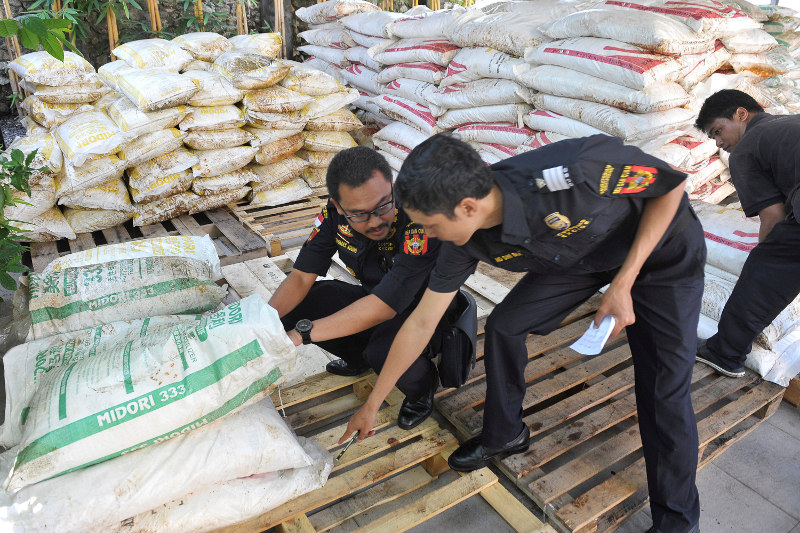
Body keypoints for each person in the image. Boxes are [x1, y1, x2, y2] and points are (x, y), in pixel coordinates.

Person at [338, 134, 706, 533]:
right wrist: (374, 403)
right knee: (505, 326)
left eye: (429, 225)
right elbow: (422, 321)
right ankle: (505, 434)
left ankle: (677, 520)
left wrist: (624, 283)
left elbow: (670, 188)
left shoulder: (576, 170)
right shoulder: (462, 240)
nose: (425, 235)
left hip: (660, 256)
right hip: (582, 257)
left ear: (466, 206)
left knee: (663, 389)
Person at [269, 146, 441, 430]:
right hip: (373, 300)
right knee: (302, 305)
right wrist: (261, 323)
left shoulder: (418, 218)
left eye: (383, 205)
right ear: (338, 207)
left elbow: (386, 307)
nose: (376, 222)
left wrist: (301, 336)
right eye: (359, 214)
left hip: (423, 315)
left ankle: (423, 387)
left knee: (382, 350)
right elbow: (300, 277)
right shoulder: (333, 217)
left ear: (392, 188)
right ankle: (357, 358)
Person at [694, 89, 800, 378]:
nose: (719, 142)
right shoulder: (788, 125)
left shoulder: (747, 148)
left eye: (718, 131)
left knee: (763, 271)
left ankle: (724, 353)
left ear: (741, 114)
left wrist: (763, 260)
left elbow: (773, 217)